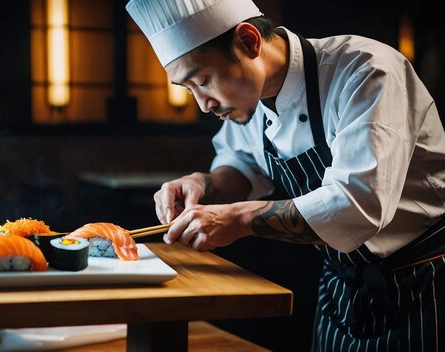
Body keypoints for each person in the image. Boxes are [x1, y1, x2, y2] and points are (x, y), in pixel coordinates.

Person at [126, 0, 445, 351]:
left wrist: (239, 218)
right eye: (189, 90)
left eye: (202, 80)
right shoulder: (247, 100)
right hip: (341, 289)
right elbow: (243, 167)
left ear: (249, 42)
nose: (204, 104)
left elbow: (358, 205)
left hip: (424, 282)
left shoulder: (365, 71)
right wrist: (204, 184)